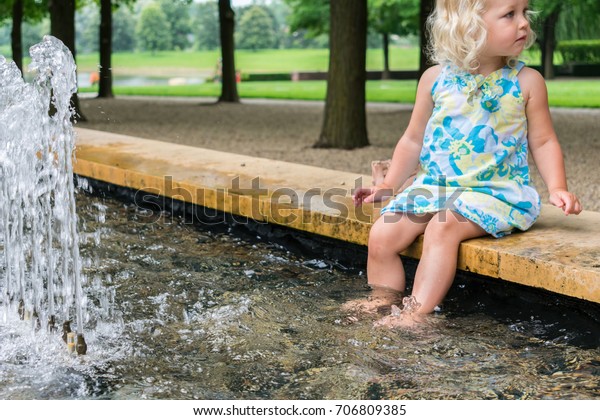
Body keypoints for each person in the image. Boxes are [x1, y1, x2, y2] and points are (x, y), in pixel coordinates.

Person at [349, 0, 582, 327]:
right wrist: (388, 185)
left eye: (525, 13)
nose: (524, 23)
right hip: (435, 187)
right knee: (383, 234)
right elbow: (412, 139)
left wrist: (558, 187)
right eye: (510, 15)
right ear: (468, 26)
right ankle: (382, 300)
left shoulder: (526, 82)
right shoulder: (434, 79)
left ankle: (416, 313)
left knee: (443, 226)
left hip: (496, 193)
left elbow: (543, 141)